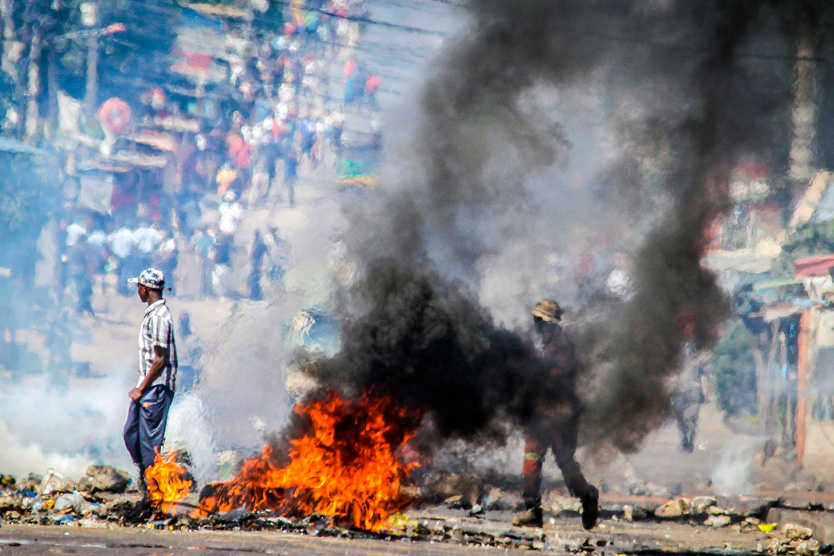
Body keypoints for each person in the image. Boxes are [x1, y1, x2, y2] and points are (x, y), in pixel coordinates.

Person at [514, 299, 598, 530]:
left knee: (565, 463)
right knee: (531, 462)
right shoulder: (547, 346)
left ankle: (588, 497)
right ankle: (532, 510)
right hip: (540, 415)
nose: (536, 326)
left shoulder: (561, 347)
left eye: (539, 321)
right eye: (536, 321)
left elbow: (552, 380)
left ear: (549, 324)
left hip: (560, 416)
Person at [123, 268, 178, 495]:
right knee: (131, 434)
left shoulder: (158, 317)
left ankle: (155, 493)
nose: (138, 290)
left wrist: (141, 388)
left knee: (149, 445)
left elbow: (160, 360)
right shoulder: (153, 314)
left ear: (145, 289)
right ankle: (146, 478)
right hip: (148, 387)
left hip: (155, 389)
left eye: (139, 287)